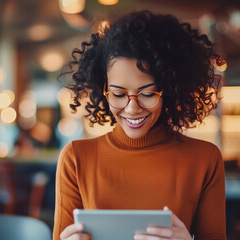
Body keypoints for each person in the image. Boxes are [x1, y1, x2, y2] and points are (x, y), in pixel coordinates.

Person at [54, 10, 225, 240]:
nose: (132, 108)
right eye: (118, 94)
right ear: (103, 91)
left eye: (147, 93)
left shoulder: (205, 159)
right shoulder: (75, 159)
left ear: (171, 90)